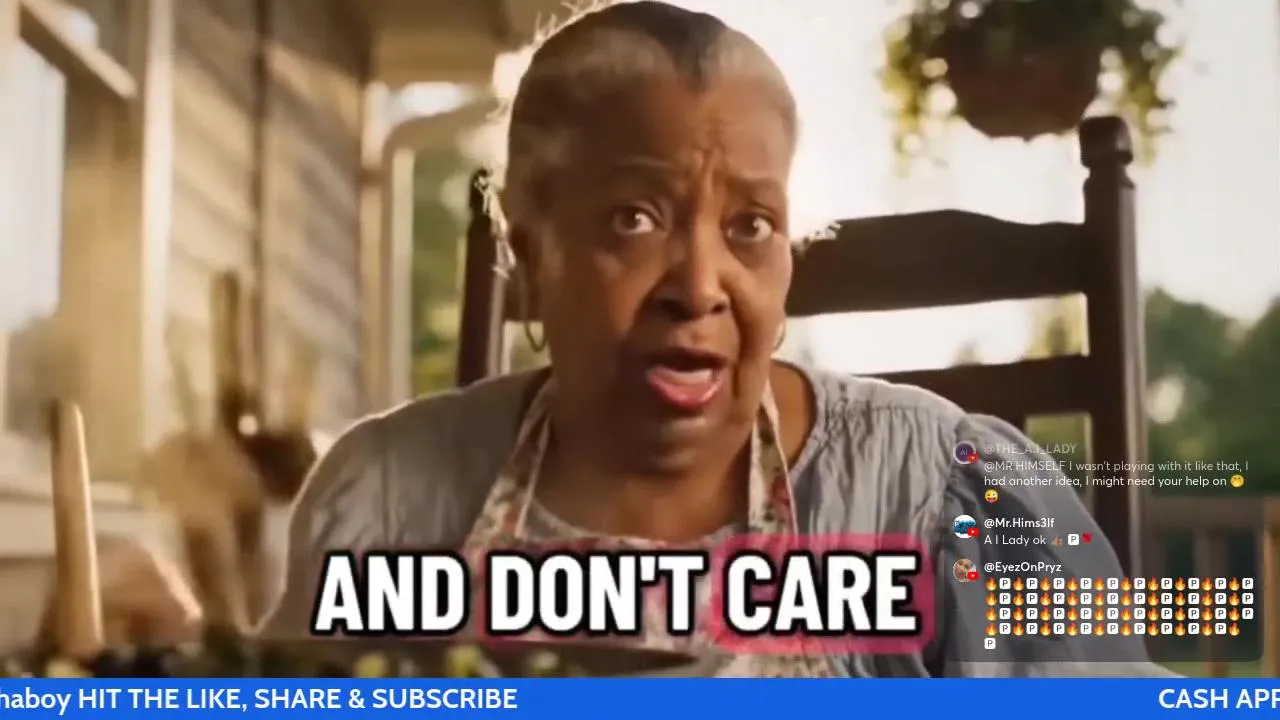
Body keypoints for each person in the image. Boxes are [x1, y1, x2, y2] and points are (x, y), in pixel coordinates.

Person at [260, 1, 1174, 677]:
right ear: (528, 249)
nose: (700, 287)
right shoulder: (387, 500)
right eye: (633, 217)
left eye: (750, 227)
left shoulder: (937, 490)